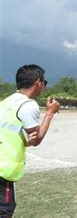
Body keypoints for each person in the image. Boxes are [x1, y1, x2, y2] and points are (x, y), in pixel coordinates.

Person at [0, 64, 60, 217]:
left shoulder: (6, 102)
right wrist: (49, 113)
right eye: (44, 83)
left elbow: (10, 131)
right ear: (38, 82)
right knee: (4, 210)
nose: (44, 87)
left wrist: (26, 139)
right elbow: (37, 138)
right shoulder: (28, 104)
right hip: (3, 169)